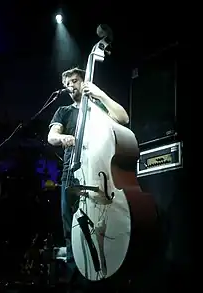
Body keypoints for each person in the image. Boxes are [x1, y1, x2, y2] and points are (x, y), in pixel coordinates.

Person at [47, 67, 129, 285]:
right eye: (67, 84)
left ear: (84, 81)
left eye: (75, 81)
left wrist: (99, 93)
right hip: (70, 176)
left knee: (103, 224)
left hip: (97, 175)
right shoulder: (64, 111)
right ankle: (77, 279)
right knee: (70, 230)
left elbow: (123, 118)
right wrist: (65, 138)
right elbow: (52, 136)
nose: (71, 86)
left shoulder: (98, 108)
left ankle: (106, 274)